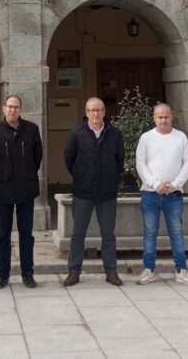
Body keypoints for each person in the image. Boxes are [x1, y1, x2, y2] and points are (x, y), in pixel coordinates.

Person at [63, 97, 125, 287]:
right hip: (83, 192)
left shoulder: (115, 134)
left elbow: (119, 160)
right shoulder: (76, 133)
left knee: (108, 234)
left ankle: (111, 272)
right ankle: (74, 271)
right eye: (91, 110)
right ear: (86, 112)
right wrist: (82, 176)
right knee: (78, 234)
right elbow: (69, 159)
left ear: (104, 112)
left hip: (107, 193)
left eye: (98, 110)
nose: (95, 114)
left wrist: (111, 178)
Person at [0, 94, 43, 289]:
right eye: (9, 107)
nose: (12, 110)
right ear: (3, 108)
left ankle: (28, 274)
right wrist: (1, 175)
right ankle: (3, 275)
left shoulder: (32, 130)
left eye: (16, 107)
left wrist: (26, 173)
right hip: (3, 189)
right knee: (3, 234)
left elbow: (37, 157)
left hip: (26, 188)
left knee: (26, 234)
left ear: (21, 110)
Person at [135, 103, 188, 286]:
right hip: (150, 194)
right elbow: (140, 163)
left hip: (174, 195)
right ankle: (149, 269)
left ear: (172, 117)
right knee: (150, 232)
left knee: (176, 232)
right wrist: (155, 184)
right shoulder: (146, 138)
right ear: (154, 118)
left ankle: (181, 270)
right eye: (159, 117)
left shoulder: (181, 137)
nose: (163, 120)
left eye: (166, 117)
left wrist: (175, 184)